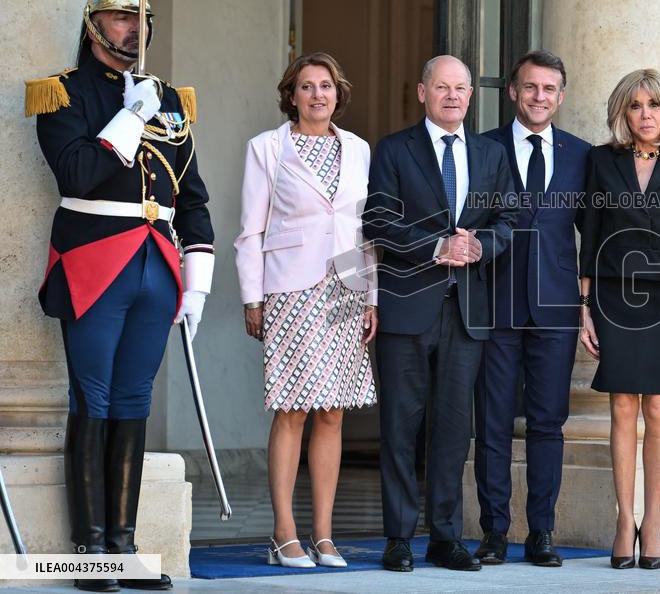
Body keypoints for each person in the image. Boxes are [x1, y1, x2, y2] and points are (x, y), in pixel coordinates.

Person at [26, 0, 212, 591]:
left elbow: (193, 196)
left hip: (155, 268)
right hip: (93, 263)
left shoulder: (171, 100)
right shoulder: (62, 94)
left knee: (133, 401)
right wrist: (129, 119)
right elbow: (77, 171)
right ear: (93, 24)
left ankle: (125, 546)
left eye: (139, 19)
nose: (131, 29)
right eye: (118, 17)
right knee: (94, 398)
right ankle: (90, 550)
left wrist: (199, 280)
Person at [363, 55, 518, 573]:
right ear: (421, 92)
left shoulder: (492, 154)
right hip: (408, 307)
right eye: (442, 87)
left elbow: (509, 219)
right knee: (401, 426)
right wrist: (435, 247)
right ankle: (400, 537)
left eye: (462, 88)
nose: (453, 96)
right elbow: (378, 221)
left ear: (471, 96)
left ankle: (446, 538)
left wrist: (482, 246)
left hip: (468, 310)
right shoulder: (394, 150)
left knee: (454, 429)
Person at [234, 52, 377, 569]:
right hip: (290, 290)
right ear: (290, 95)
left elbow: (366, 229)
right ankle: (283, 534)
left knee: (333, 411)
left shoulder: (359, 150)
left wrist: (371, 296)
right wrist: (253, 297)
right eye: (307, 86)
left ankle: (323, 535)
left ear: (339, 94)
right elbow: (250, 229)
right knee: (292, 409)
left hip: (344, 289)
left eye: (327, 86)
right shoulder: (267, 149)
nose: (318, 94)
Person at [578, 68, 660, 570]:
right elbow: (589, 234)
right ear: (623, 112)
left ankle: (652, 521)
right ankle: (623, 519)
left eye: (653, 105)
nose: (645, 115)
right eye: (635, 106)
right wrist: (584, 306)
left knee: (658, 407)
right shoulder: (600, 160)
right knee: (620, 407)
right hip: (613, 294)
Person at [472, 51, 589, 567]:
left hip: (556, 310)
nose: (539, 97)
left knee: (548, 424)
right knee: (492, 423)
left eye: (549, 89)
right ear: (513, 92)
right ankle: (495, 532)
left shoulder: (582, 155)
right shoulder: (482, 149)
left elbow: (603, 229)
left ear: (561, 96)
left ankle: (541, 531)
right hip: (493, 307)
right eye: (530, 87)